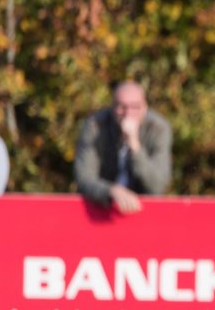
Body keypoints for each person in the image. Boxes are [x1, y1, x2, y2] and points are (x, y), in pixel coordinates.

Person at [74, 80, 172, 214]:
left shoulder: (158, 129)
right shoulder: (95, 126)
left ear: (145, 106)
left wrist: (135, 145)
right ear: (112, 107)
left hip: (143, 211)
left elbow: (156, 186)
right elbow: (84, 178)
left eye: (135, 107)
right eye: (122, 107)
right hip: (100, 209)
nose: (128, 113)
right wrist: (111, 191)